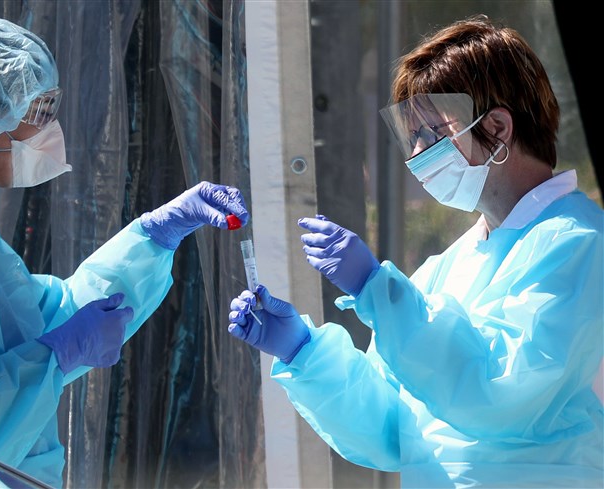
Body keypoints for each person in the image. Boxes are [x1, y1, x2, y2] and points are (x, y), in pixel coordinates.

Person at [0, 15, 249, 489]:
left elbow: (47, 317)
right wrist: (55, 356)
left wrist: (154, 235)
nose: (48, 130)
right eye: (36, 111)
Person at [228, 14, 603, 488]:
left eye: (434, 133)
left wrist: (377, 290)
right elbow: (391, 431)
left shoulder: (577, 240)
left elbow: (501, 394)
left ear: (498, 126)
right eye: (414, 138)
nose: (420, 154)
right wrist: (304, 353)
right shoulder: (447, 267)